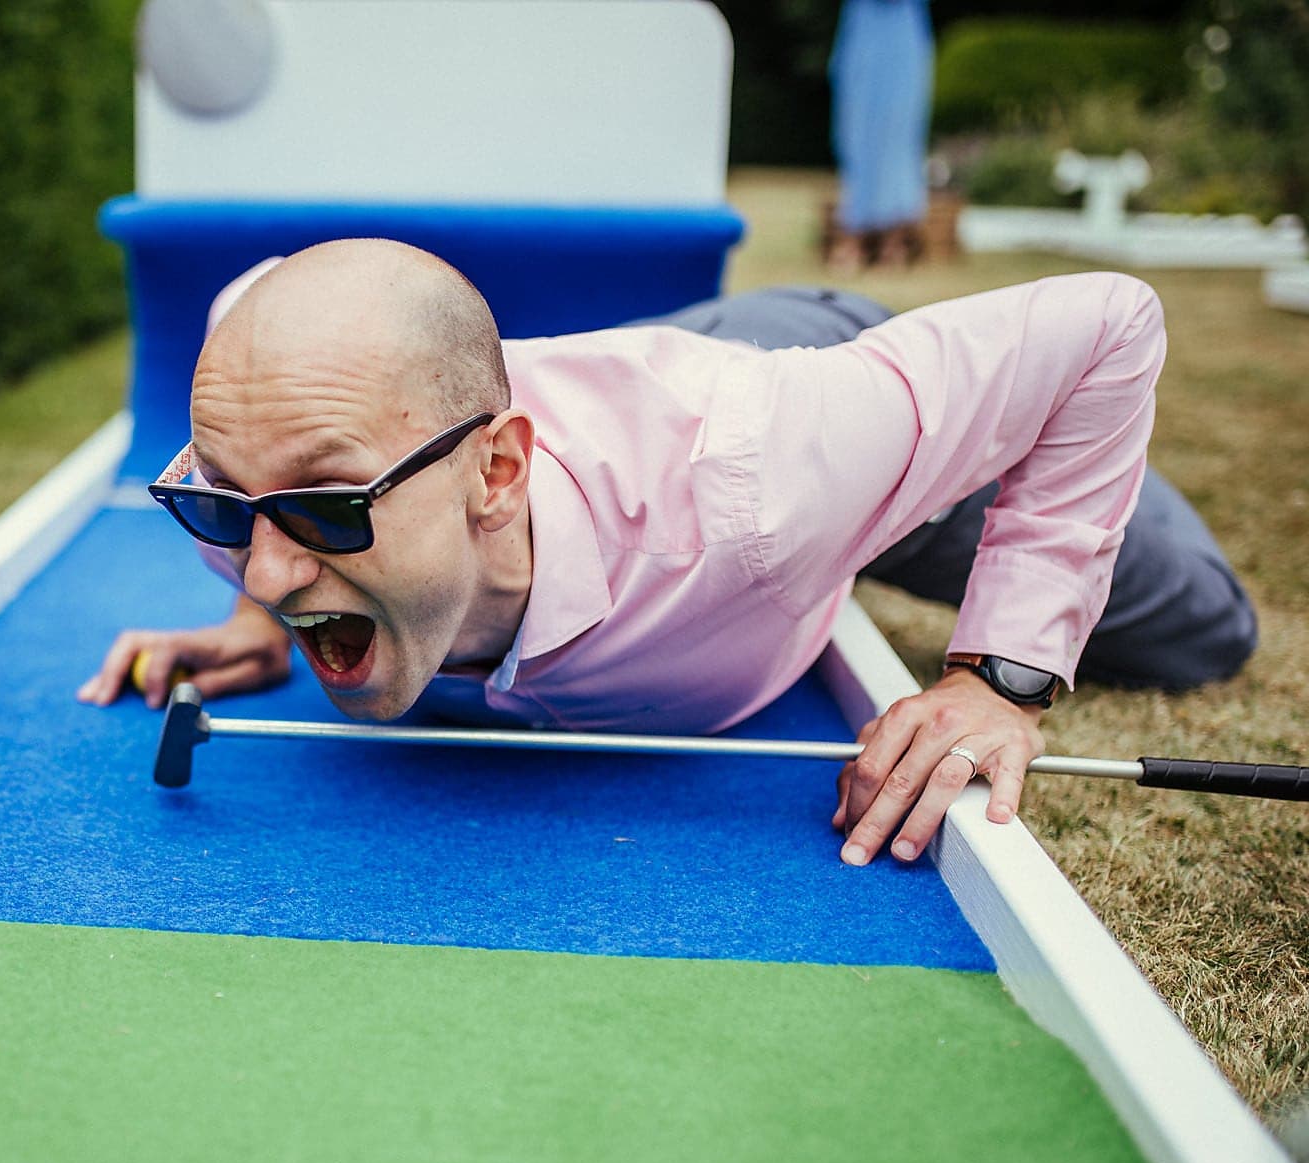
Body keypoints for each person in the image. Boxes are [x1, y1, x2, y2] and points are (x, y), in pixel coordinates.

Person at [77, 241, 1257, 867]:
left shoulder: (769, 474)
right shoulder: (267, 462)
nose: (269, 563)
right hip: (595, 399)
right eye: (228, 510)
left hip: (787, 412)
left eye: (330, 510)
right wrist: (252, 619)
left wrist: (996, 677)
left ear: (493, 474)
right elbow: (262, 395)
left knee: (1202, 634)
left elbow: (1106, 321)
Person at [827, 0, 933, 272]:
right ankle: (855, 239)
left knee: (898, 138)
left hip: (900, 36)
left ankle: (894, 244)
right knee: (857, 138)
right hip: (865, 33)